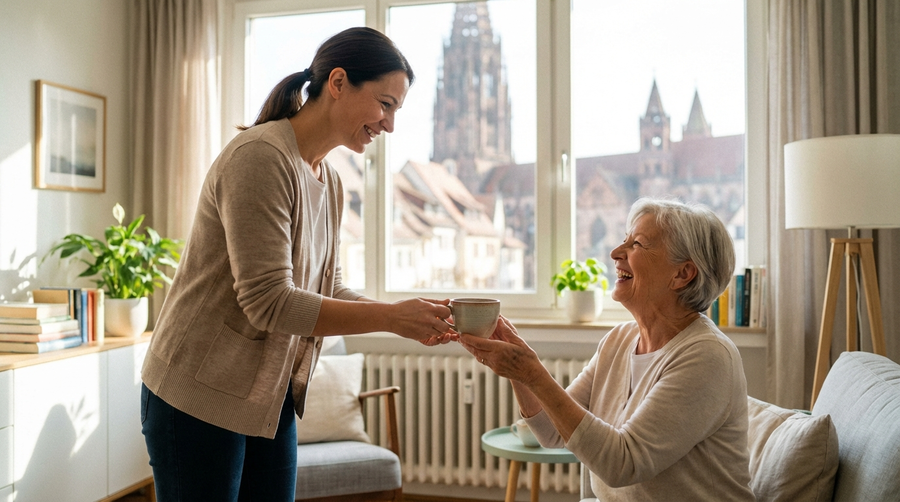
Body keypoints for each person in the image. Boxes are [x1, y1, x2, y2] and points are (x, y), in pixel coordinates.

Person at [141, 27, 456, 501]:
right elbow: (268, 302)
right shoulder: (261, 158)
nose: (389, 125)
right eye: (385, 104)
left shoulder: (329, 181)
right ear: (338, 82)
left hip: (268, 398)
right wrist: (391, 317)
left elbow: (328, 288)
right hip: (197, 395)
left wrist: (406, 317)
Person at [459, 197, 755, 501]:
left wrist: (533, 373)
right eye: (623, 241)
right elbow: (550, 432)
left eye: (637, 244)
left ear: (682, 274)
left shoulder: (707, 356)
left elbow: (623, 464)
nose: (615, 253)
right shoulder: (619, 340)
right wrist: (516, 364)